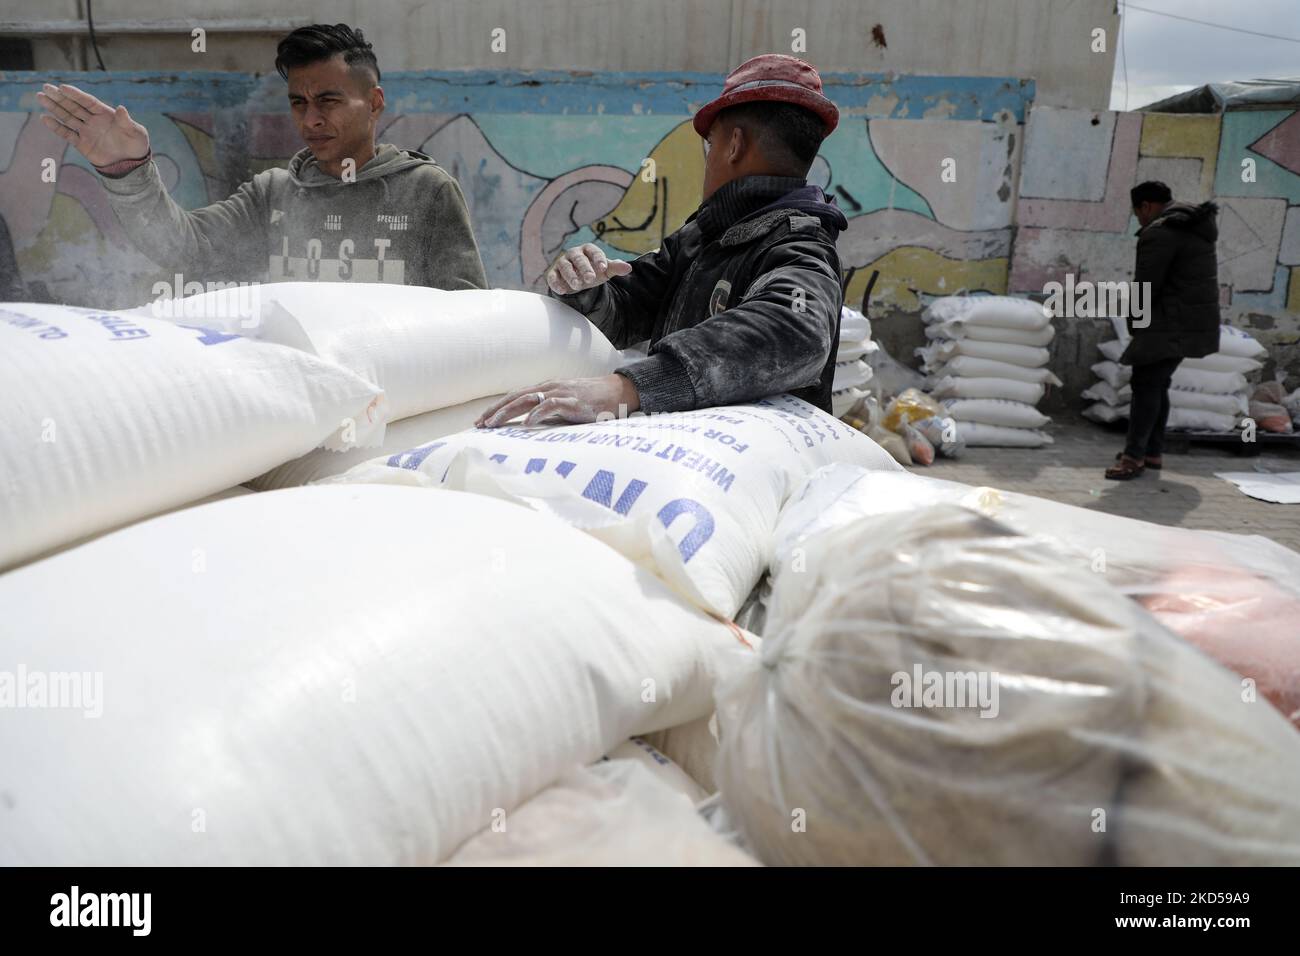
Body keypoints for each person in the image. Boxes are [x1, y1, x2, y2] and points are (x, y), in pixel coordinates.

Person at [477, 54, 846, 428]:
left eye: (710, 144)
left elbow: (798, 329)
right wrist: (585, 288)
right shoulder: (700, 239)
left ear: (733, 145)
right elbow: (623, 310)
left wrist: (629, 389)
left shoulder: (800, 244)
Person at [36, 24, 486, 291]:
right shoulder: (274, 194)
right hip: (295, 407)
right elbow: (182, 247)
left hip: (394, 409)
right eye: (298, 103)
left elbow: (469, 317)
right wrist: (128, 170)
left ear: (374, 103)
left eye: (328, 101)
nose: (310, 119)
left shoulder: (426, 192)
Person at [1105, 181, 1220, 480]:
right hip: (1189, 321)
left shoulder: (1160, 233)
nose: (1140, 220)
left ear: (1146, 206)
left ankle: (1133, 458)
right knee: (1157, 383)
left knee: (1146, 385)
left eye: (1138, 213)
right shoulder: (1193, 227)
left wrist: (1135, 324)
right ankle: (1152, 452)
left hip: (1169, 322)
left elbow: (1145, 287)